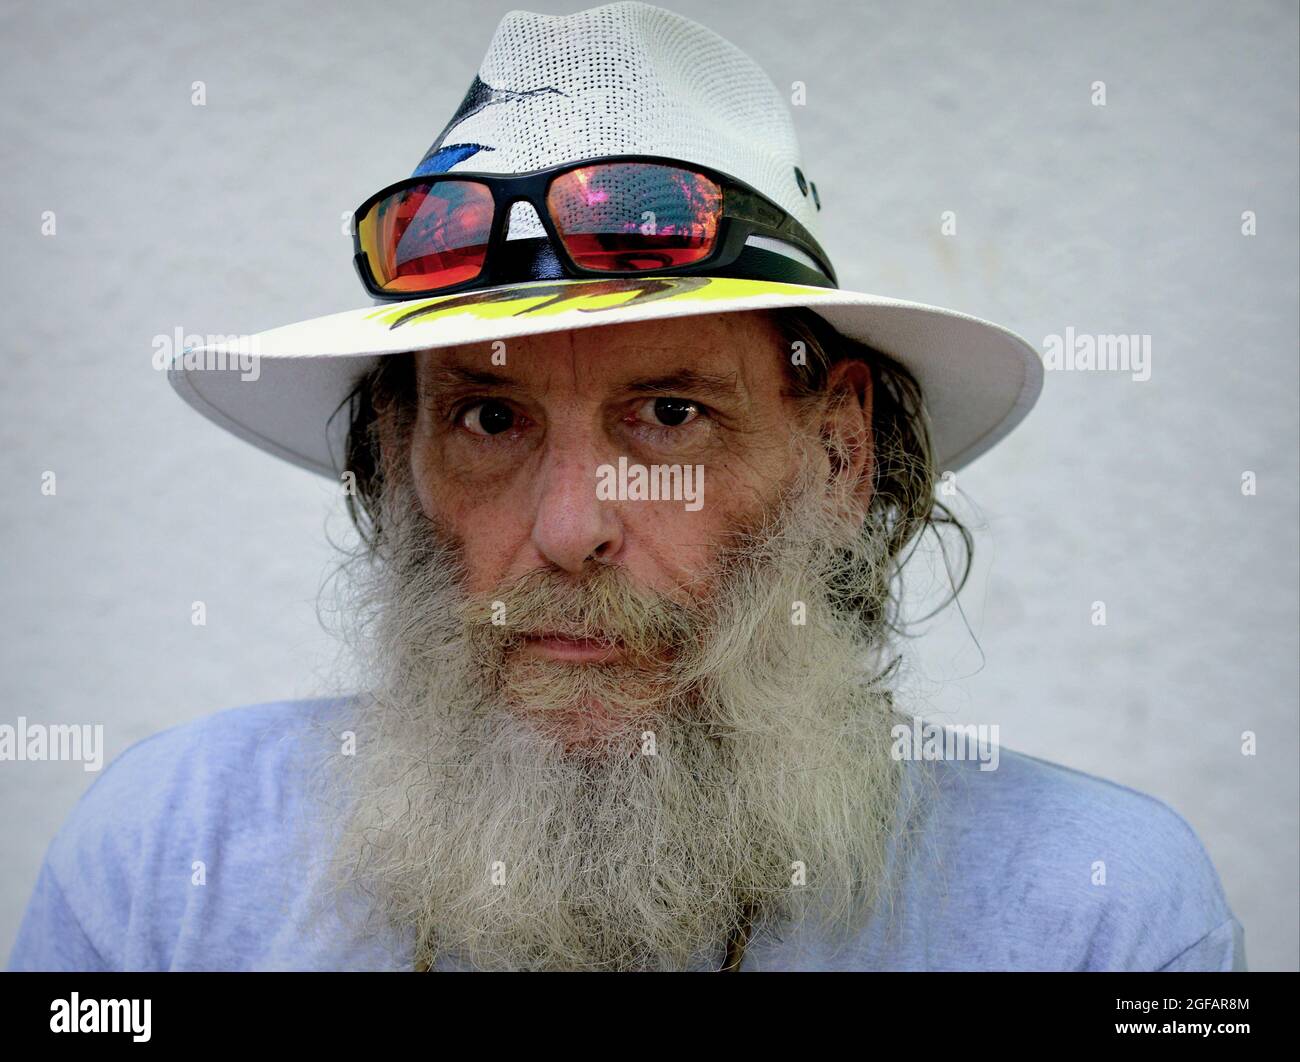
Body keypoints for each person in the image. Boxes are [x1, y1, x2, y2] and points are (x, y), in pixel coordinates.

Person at [9, 1, 1243, 972]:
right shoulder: (171, 862)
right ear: (400, 462)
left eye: (668, 416)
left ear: (836, 453)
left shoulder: (1094, 914)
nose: (568, 529)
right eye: (488, 417)